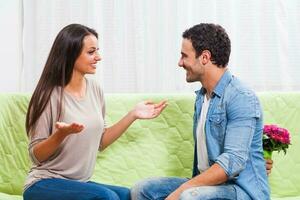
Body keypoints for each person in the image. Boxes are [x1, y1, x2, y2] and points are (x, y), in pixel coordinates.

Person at [23, 24, 167, 200]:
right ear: (71, 54)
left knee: (129, 196)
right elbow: (36, 155)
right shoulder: (48, 96)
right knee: (107, 198)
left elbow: (101, 142)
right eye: (91, 52)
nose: (98, 57)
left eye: (97, 51)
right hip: (44, 184)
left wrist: (133, 115)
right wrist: (60, 135)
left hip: (79, 183)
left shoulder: (94, 89)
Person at [131, 23, 270, 200]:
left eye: (184, 56)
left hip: (241, 191)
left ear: (204, 57)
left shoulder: (241, 97)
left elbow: (233, 162)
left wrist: (180, 192)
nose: (180, 63)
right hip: (209, 186)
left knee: (189, 196)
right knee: (141, 189)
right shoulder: (202, 97)